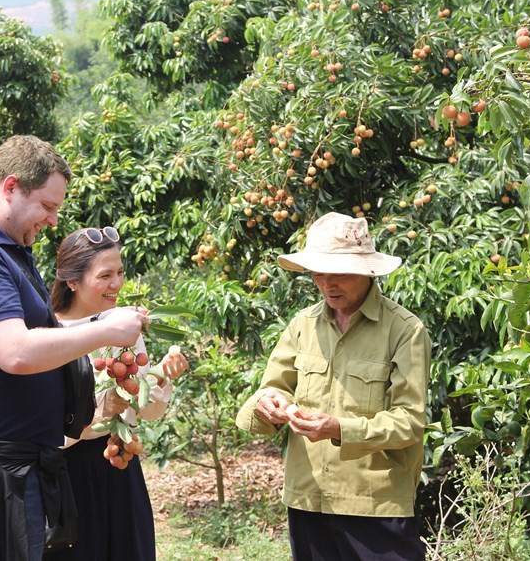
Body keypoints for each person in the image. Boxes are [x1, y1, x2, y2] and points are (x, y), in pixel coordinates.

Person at [0, 135, 147, 561]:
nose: (53, 220)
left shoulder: (9, 250)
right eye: (47, 206)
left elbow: (43, 334)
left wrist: (101, 328)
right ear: (10, 186)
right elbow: (16, 352)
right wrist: (106, 332)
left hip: (17, 464)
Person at [235, 212, 431, 561]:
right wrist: (270, 403)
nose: (327, 284)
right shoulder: (303, 325)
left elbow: (409, 421)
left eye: (338, 273)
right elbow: (273, 388)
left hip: (376, 501)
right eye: (318, 273)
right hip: (308, 497)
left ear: (367, 271)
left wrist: (338, 428)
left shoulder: (404, 330)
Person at [44, 226, 188, 561]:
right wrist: (100, 410)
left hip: (119, 469)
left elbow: (147, 411)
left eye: (120, 272)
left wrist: (162, 377)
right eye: (105, 275)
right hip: (68, 478)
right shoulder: (47, 335)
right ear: (72, 281)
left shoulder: (122, 325)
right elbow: (47, 433)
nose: (117, 284)